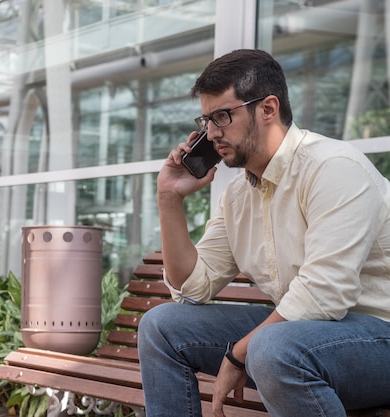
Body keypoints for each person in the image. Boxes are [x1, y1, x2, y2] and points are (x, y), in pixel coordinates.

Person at [137, 49, 390, 417]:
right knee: (161, 327)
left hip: (379, 338)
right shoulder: (238, 196)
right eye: (206, 119)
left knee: (271, 348)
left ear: (268, 109)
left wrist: (237, 355)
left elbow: (324, 294)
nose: (211, 133)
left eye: (222, 116)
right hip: (300, 337)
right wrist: (168, 199)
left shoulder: (333, 167)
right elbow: (192, 287)